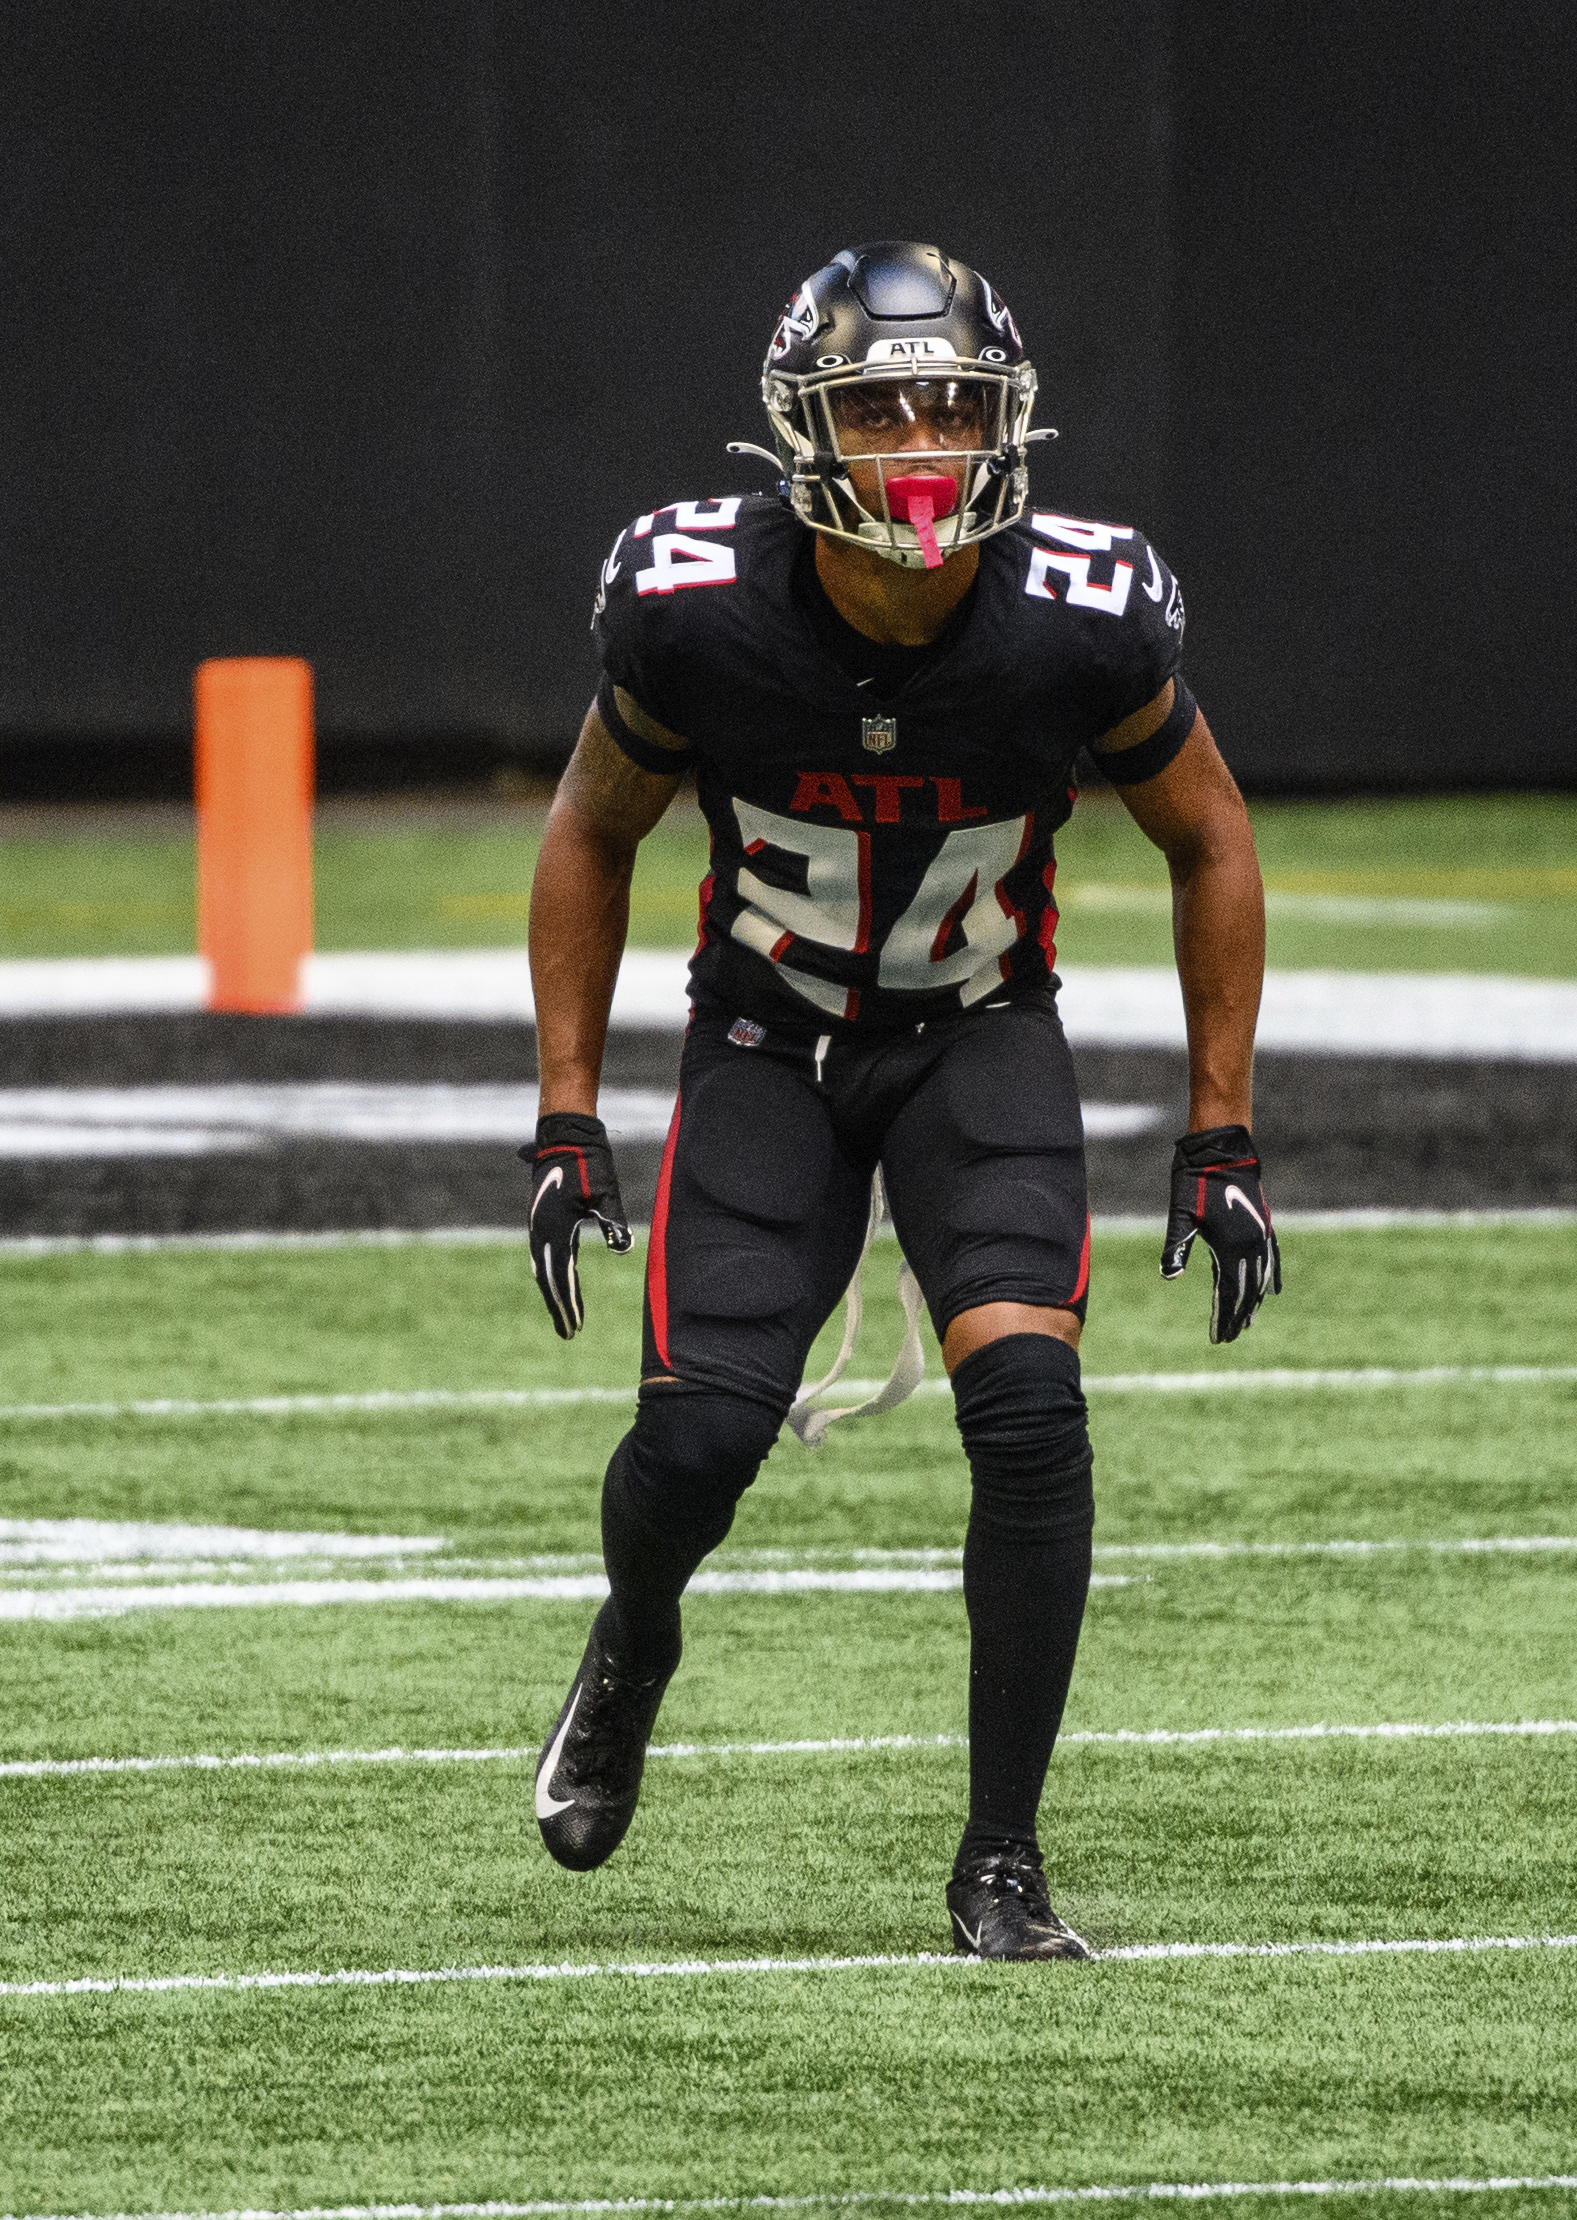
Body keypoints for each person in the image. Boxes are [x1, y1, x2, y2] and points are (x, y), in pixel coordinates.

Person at [514, 241, 1282, 1961]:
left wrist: (1219, 1126)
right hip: (767, 1046)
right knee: (700, 1439)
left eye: (954, 402)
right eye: (883, 408)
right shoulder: (696, 607)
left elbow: (1209, 834)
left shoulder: (1077, 614)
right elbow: (590, 826)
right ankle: (635, 1640)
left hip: (975, 1037)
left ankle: (1000, 1863)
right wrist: (570, 1111)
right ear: (806, 433)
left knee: (1027, 1414)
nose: (925, 443)